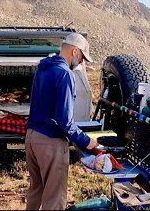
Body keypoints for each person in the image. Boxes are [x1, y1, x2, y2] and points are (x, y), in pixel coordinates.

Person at [25, 32, 98, 210]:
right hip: (50, 141)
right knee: (55, 197)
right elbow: (64, 121)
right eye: (82, 57)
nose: (81, 62)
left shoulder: (43, 67)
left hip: (31, 137)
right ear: (75, 51)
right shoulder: (65, 74)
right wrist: (87, 141)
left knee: (36, 189)